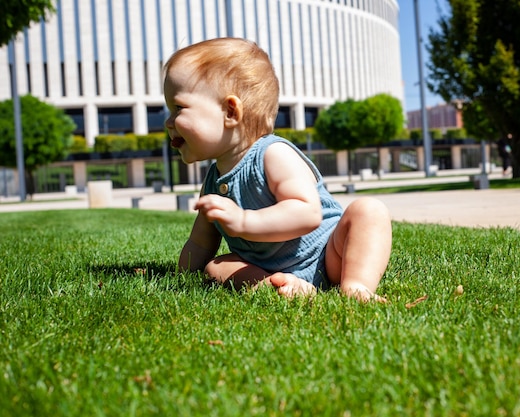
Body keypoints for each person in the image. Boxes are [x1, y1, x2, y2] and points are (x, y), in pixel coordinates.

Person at [163, 38, 392, 302]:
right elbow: (201, 242)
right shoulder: (214, 181)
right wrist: (183, 273)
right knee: (216, 266)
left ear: (230, 111)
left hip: (329, 255)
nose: (168, 122)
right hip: (265, 268)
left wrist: (243, 222)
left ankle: (356, 286)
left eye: (178, 108)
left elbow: (308, 213)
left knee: (369, 211)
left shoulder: (273, 154)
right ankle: (277, 286)